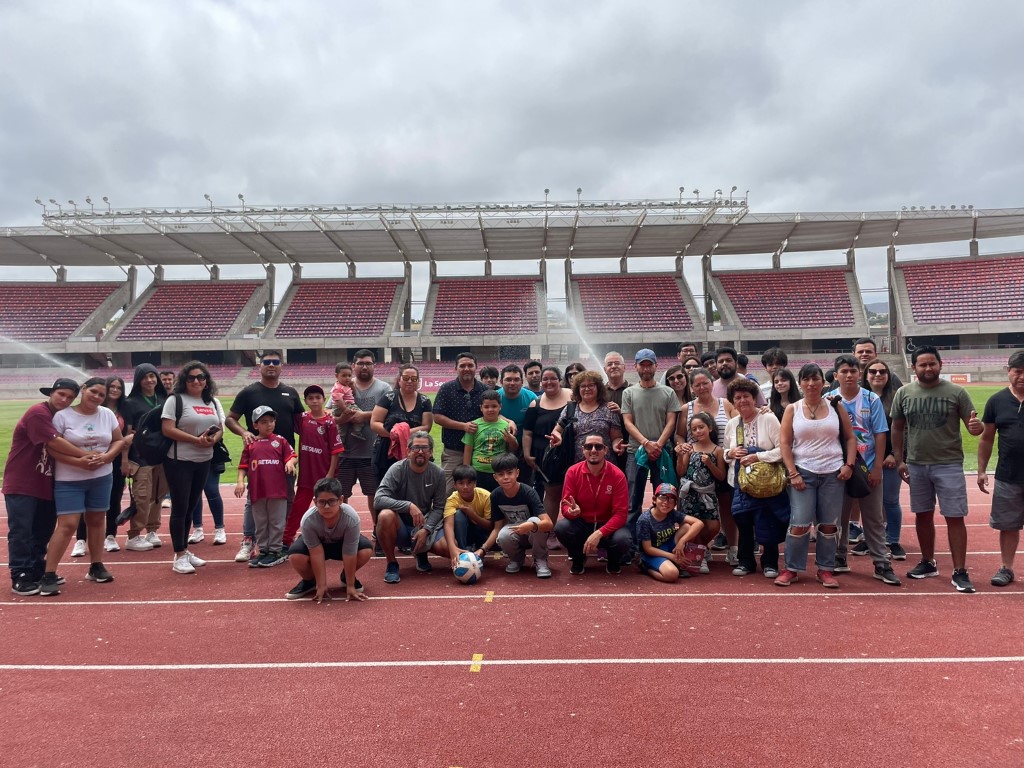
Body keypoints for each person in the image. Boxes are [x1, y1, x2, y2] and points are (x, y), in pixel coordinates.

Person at [891, 346, 984, 592]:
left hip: (949, 463)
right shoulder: (904, 393)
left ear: (940, 364)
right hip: (916, 464)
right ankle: (927, 562)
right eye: (922, 364)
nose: (928, 368)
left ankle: (960, 570)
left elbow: (973, 425)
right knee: (922, 514)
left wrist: (977, 427)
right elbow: (897, 428)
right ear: (914, 367)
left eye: (932, 363)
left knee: (955, 516)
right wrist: (899, 459)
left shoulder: (957, 392)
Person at [5, 378, 101, 595]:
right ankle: (20, 574)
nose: (64, 400)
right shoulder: (38, 413)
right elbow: (54, 442)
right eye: (61, 394)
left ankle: (37, 569)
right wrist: (85, 456)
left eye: (69, 397)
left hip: (46, 482)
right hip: (22, 482)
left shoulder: (61, 417)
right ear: (51, 393)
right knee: (22, 531)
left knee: (42, 530)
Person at [40, 377, 125, 595]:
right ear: (84, 389)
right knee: (67, 524)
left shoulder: (106, 414)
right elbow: (52, 447)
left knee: (96, 520)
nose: (96, 397)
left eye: (101, 395)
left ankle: (96, 565)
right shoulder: (63, 416)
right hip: (69, 479)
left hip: (101, 476)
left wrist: (108, 457)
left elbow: (118, 440)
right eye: (93, 391)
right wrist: (79, 461)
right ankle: (49, 573)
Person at [776, 363, 857, 589]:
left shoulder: (835, 406)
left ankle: (826, 569)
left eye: (816, 379)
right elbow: (784, 443)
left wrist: (849, 465)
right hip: (803, 472)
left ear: (824, 382)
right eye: (806, 379)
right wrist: (793, 473)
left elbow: (850, 438)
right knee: (799, 523)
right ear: (800, 383)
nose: (811, 384)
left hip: (833, 474)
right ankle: (791, 568)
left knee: (829, 525)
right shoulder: (792, 409)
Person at [225, 350, 304, 564]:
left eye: (275, 362)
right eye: (266, 361)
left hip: (284, 460)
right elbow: (230, 419)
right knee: (254, 501)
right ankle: (249, 540)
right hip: (259, 461)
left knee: (286, 501)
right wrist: (244, 433)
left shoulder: (290, 392)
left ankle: (280, 543)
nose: (271, 365)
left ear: (281, 366)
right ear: (259, 366)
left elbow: (301, 423)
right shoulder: (249, 392)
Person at [831, 355, 901, 586]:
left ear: (859, 374)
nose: (849, 375)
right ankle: (839, 556)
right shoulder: (829, 399)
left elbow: (880, 433)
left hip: (868, 466)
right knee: (838, 516)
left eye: (853, 371)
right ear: (836, 375)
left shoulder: (871, 399)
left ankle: (881, 562)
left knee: (874, 518)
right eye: (844, 371)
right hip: (839, 468)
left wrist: (878, 466)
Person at [161, 362, 224, 575]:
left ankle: (184, 550)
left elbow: (220, 428)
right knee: (180, 508)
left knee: (190, 506)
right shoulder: (175, 400)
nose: (196, 381)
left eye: (201, 377)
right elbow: (167, 429)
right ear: (184, 380)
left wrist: (213, 439)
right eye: (191, 378)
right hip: (180, 460)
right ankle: (179, 555)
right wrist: (195, 440)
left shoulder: (210, 401)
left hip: (204, 459)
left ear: (207, 380)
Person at [724, 377, 789, 578]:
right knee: (743, 521)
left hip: (766, 483)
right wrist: (730, 453)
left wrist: (758, 456)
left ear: (754, 398)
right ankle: (745, 562)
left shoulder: (768, 419)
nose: (742, 400)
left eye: (746, 396)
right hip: (740, 483)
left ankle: (770, 563)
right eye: (737, 398)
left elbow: (783, 449)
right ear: (733, 402)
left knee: (768, 522)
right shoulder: (733, 424)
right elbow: (725, 451)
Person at [622, 349, 680, 547]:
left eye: (649, 365)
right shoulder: (629, 393)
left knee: (666, 498)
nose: (646, 369)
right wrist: (646, 443)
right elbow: (628, 422)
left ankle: (663, 542)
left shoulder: (668, 392)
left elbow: (671, 421)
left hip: (662, 452)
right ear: (636, 367)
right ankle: (632, 545)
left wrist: (658, 445)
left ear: (656, 366)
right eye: (642, 365)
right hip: (636, 452)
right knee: (633, 500)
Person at [680, 366, 738, 564]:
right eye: (697, 385)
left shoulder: (726, 404)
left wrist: (762, 410)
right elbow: (680, 435)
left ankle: (733, 548)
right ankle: (700, 550)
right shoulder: (686, 408)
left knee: (727, 507)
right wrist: (683, 448)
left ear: (712, 383)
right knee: (698, 512)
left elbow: (740, 423)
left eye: (705, 383)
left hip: (722, 459)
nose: (702, 387)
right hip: (696, 465)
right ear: (691, 387)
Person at [373, 431, 447, 584]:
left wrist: (426, 529)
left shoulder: (438, 473)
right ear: (408, 451)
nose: (420, 451)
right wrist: (408, 506)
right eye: (416, 447)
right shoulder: (397, 469)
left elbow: (439, 508)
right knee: (385, 515)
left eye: (425, 448)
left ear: (431, 452)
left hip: (423, 523)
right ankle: (392, 563)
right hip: (400, 526)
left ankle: (421, 551)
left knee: (446, 549)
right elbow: (378, 500)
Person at [978, 350, 1024, 587]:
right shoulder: (996, 401)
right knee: (1008, 525)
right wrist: (981, 470)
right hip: (1008, 475)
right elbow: (987, 438)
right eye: (1018, 371)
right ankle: (1006, 568)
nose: (1022, 377)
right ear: (1009, 371)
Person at [285, 477, 372, 603]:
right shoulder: (308, 520)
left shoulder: (351, 518)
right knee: (295, 556)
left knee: (366, 550)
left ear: (341, 500)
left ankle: (347, 577)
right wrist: (321, 585)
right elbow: (316, 553)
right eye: (322, 502)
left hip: (341, 545)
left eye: (331, 501)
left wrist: (350, 586)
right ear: (315, 502)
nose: (326, 507)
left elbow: (349, 552)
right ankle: (310, 581)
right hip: (318, 546)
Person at [556, 431, 631, 575]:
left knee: (623, 539)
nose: (594, 450)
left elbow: (621, 514)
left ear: (606, 450)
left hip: (607, 525)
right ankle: (578, 558)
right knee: (561, 528)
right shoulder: (572, 472)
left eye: (598, 447)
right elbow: (565, 506)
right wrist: (571, 512)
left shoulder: (618, 475)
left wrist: (599, 533)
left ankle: (613, 561)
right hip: (583, 523)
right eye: (589, 447)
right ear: (583, 449)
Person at [71, 375, 130, 556]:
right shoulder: (94, 408)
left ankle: (110, 535)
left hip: (116, 458)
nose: (115, 390)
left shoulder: (125, 409)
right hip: (88, 458)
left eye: (119, 387)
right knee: (85, 501)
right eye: (112, 387)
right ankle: (81, 539)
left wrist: (123, 459)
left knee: (114, 498)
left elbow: (123, 438)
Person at [334, 350, 391, 532]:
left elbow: (391, 414)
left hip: (372, 452)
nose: (364, 367)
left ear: (374, 366)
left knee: (374, 494)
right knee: (341, 494)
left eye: (368, 363)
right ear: (353, 366)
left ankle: (378, 530)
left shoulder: (384, 388)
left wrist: (364, 416)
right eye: (360, 363)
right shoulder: (344, 384)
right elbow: (329, 413)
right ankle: (342, 530)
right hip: (345, 453)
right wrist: (343, 418)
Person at [234, 405, 298, 568]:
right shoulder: (251, 444)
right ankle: (263, 550)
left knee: (276, 521)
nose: (269, 425)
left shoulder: (280, 441)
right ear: (255, 425)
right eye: (263, 422)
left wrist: (290, 463)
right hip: (257, 490)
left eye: (271, 421)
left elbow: (292, 455)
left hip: (278, 490)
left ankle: (275, 551)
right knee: (261, 522)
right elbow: (243, 466)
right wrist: (240, 481)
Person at [284, 385, 343, 548]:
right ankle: (286, 539)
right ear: (306, 401)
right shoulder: (302, 418)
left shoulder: (329, 422)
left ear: (324, 400)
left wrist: (330, 474)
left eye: (318, 397)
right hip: (306, 476)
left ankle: (333, 536)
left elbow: (336, 451)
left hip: (324, 475)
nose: (315, 401)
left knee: (328, 508)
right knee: (298, 508)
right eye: (310, 398)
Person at [522, 366, 573, 550]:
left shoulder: (572, 397)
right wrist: (527, 453)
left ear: (560, 380)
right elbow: (527, 432)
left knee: (574, 493)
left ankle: (577, 531)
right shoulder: (535, 403)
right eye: (545, 379)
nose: (549, 382)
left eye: (553, 378)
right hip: (545, 456)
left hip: (570, 452)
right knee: (551, 493)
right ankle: (549, 532)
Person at [860, 359, 906, 560]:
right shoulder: (859, 398)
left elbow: (904, 429)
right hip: (864, 459)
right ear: (866, 375)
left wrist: (895, 454)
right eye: (873, 371)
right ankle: (871, 538)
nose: (877, 375)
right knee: (869, 502)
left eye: (882, 371)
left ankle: (893, 540)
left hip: (889, 459)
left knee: (890, 500)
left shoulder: (896, 398)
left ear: (888, 376)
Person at [480, 452, 552, 578]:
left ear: (517, 473)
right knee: (502, 534)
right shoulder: (495, 495)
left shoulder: (529, 492)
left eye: (509, 473)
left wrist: (531, 526)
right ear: (495, 477)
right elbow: (497, 528)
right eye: (501, 474)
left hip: (533, 533)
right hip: (515, 533)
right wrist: (483, 549)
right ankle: (516, 559)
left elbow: (548, 524)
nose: (505, 477)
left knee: (535, 520)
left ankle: (540, 559)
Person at [122, 363, 169, 552]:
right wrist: (125, 459)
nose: (149, 380)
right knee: (142, 497)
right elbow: (127, 433)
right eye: (144, 377)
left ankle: (152, 530)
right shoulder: (130, 402)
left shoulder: (165, 398)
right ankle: (134, 535)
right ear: (138, 380)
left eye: (152, 376)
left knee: (158, 495)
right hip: (140, 457)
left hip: (162, 454)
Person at [675, 412, 726, 572]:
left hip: (708, 495)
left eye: (701, 427)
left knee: (713, 526)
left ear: (709, 428)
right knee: (691, 525)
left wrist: (710, 464)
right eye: (694, 429)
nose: (698, 431)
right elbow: (681, 472)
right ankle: (699, 556)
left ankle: (702, 548)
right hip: (689, 494)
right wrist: (680, 456)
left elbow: (721, 476)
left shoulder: (718, 450)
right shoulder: (689, 448)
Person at [432, 352, 488, 494]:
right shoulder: (446, 389)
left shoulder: (485, 390)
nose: (466, 368)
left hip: (481, 451)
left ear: (476, 367)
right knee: (447, 492)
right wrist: (463, 426)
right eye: (462, 366)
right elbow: (437, 417)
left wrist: (509, 421)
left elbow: (495, 414)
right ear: (456, 368)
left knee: (482, 491)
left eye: (470, 365)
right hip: (454, 451)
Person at [370, 363, 433, 483]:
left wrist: (402, 433)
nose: (409, 381)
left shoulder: (424, 401)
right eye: (406, 378)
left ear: (418, 382)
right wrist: (394, 434)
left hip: (414, 451)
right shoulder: (388, 397)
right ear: (399, 380)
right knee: (386, 486)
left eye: (413, 379)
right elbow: (374, 423)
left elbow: (426, 427)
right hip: (385, 452)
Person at [636, 483, 704, 582]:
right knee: (672, 574)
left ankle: (676, 561)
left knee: (687, 527)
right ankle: (646, 568)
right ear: (654, 499)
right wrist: (672, 557)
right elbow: (648, 549)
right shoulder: (645, 520)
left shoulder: (672, 514)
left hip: (668, 547)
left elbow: (699, 523)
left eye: (671, 499)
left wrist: (682, 542)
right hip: (652, 554)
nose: (666, 502)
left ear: (675, 504)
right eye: (662, 497)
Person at [463, 389, 518, 491]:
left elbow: (512, 449)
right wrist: (466, 472)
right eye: (486, 407)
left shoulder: (506, 425)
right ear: (481, 408)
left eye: (494, 406)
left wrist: (511, 440)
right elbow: (468, 450)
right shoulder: (474, 425)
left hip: (500, 471)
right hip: (478, 470)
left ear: (500, 407)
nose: (490, 410)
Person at [441, 464, 494, 565]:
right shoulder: (452, 500)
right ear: (455, 485)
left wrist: (472, 515)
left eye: (469, 483)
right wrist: (452, 548)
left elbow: (490, 526)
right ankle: (463, 552)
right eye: (461, 483)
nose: (465, 487)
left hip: (482, 532)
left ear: (475, 484)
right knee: (458, 515)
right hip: (465, 531)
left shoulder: (486, 496)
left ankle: (479, 549)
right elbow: (448, 525)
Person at [497, 364, 539, 483]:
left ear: (522, 382)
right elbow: (488, 414)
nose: (512, 383)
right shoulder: (495, 396)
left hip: (525, 447)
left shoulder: (531, 397)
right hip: (500, 446)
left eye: (516, 379)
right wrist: (509, 421)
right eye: (508, 379)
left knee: (524, 481)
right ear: (501, 381)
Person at [602, 351, 630, 472]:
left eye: (617, 363)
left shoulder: (633, 390)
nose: (613, 366)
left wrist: (622, 413)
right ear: (605, 369)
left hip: (629, 447)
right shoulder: (599, 393)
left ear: (624, 367)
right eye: (610, 364)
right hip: (604, 449)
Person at [329, 363, 362, 442]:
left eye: (349, 376)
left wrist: (352, 386)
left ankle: (341, 442)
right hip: (343, 406)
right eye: (344, 376)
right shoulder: (338, 387)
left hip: (344, 407)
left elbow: (353, 393)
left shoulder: (346, 386)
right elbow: (338, 400)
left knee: (342, 428)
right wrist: (345, 409)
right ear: (337, 376)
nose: (347, 378)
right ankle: (357, 431)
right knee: (361, 415)